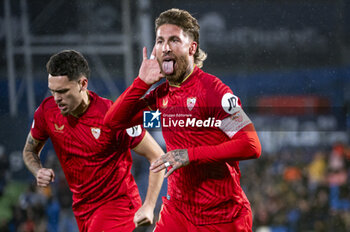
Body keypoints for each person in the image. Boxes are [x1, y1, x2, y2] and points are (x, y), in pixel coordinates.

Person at [104, 8, 261, 232]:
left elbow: (251, 145)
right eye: (160, 41)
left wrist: (190, 155)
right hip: (178, 212)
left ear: (192, 47)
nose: (165, 47)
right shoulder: (160, 97)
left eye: (174, 40)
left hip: (221, 217)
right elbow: (113, 123)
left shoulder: (213, 92)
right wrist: (141, 83)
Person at [22, 50, 165, 232]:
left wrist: (149, 205)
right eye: (53, 91)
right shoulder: (47, 111)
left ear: (83, 84)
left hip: (118, 208)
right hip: (83, 211)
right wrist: (37, 170)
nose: (57, 98)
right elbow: (29, 151)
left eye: (63, 91)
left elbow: (158, 156)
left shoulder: (112, 115)